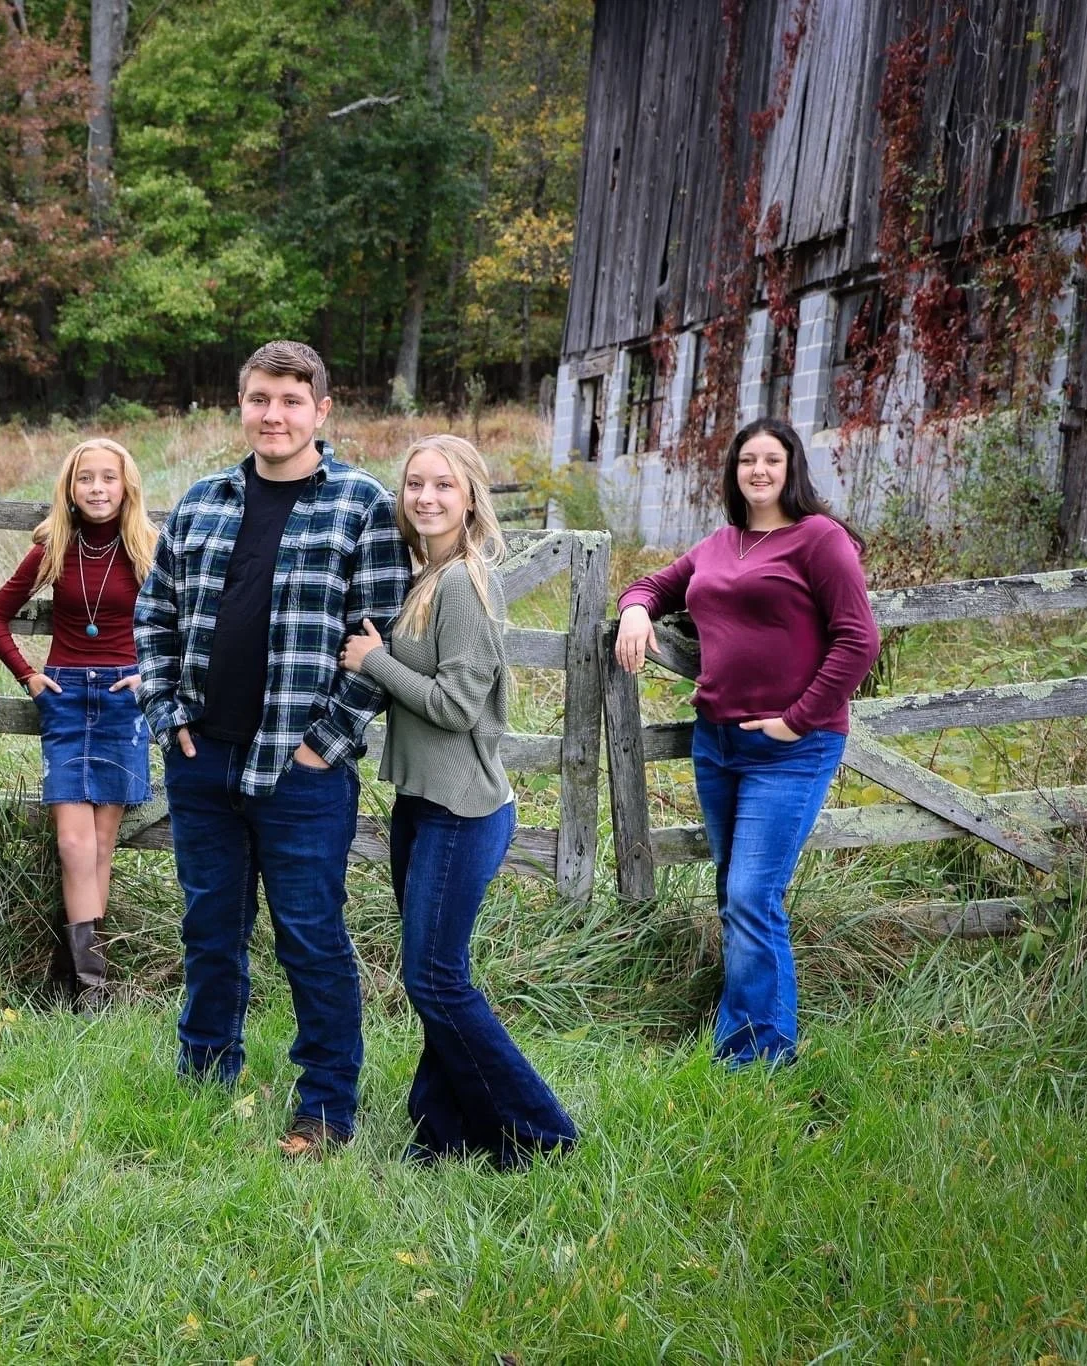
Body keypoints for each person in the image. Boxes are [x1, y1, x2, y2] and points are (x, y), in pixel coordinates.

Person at [135, 339, 410, 1158]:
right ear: (242, 405)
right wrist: (165, 711)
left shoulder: (361, 506)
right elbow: (156, 617)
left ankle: (325, 1106)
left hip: (301, 769)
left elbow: (382, 636)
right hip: (203, 758)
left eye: (292, 400)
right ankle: (204, 1076)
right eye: (260, 398)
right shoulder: (204, 501)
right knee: (209, 927)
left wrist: (325, 744)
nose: (274, 415)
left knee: (309, 935)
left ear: (322, 410)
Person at [339, 435, 577, 1168]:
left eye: (444, 485)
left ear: (470, 496)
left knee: (434, 978)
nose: (426, 497)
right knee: (436, 975)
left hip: (461, 811)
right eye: (414, 483)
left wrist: (372, 660)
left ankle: (540, 1131)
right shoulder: (426, 574)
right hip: (423, 803)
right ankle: (445, 1133)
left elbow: (457, 703)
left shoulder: (465, 584)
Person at [614, 416, 879, 1068]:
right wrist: (636, 609)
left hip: (790, 750)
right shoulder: (717, 544)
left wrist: (799, 718)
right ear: (734, 473)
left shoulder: (820, 540)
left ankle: (759, 1056)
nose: (758, 471)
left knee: (751, 895)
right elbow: (651, 584)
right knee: (734, 890)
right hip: (718, 746)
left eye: (771, 460)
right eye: (746, 462)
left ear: (792, 469)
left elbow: (859, 638)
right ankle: (745, 1034)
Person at [0, 439, 158, 1011]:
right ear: (70, 488)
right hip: (66, 697)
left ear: (126, 485)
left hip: (125, 699)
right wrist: (28, 675)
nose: (98, 488)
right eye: (86, 479)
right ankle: (90, 985)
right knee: (74, 843)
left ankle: (78, 980)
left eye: (109, 477)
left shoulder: (150, 549)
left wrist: (151, 675)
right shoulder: (53, 547)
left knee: (103, 843)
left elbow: (190, 623)